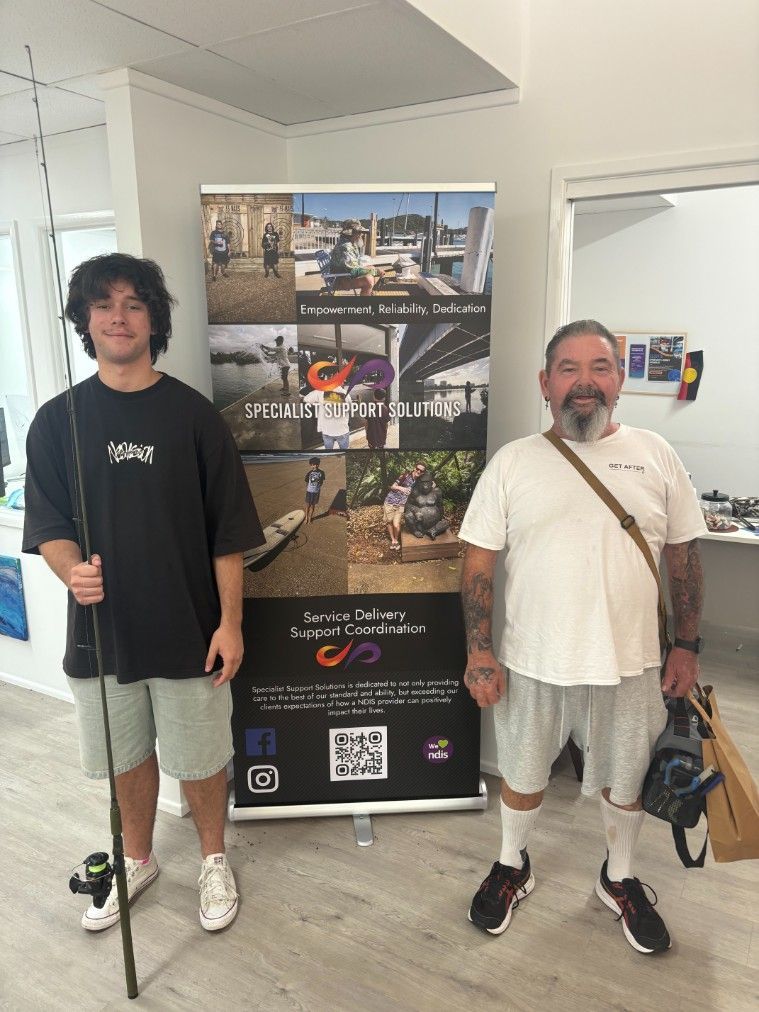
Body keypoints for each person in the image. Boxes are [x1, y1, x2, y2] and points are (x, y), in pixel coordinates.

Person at [23, 253, 264, 935]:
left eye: (133, 303)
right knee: (126, 757)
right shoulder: (55, 422)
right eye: (104, 305)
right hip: (100, 634)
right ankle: (138, 859)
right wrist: (71, 570)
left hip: (189, 628)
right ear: (85, 320)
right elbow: (48, 528)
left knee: (201, 756)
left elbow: (229, 535)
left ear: (153, 318)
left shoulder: (193, 418)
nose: (118, 316)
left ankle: (214, 858)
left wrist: (231, 624)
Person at [459, 320, 706, 954]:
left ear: (619, 381)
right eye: (568, 369)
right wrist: (480, 651)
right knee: (521, 773)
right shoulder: (514, 462)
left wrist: (689, 644)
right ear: (546, 384)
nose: (585, 382)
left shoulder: (656, 455)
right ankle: (513, 863)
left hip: (631, 664)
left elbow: (683, 556)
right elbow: (478, 563)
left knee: (626, 784)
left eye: (600, 367)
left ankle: (619, 878)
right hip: (532, 661)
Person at [329, 219, 385, 295]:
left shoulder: (350, 243)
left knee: (371, 267)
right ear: (350, 233)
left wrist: (373, 270)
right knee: (369, 280)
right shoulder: (346, 247)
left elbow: (354, 267)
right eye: (359, 232)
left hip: (344, 275)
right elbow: (353, 271)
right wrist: (376, 272)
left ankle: (368, 293)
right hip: (340, 280)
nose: (361, 235)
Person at [383, 461, 426, 550]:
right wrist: (401, 488)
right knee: (389, 522)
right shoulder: (405, 476)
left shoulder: (417, 481)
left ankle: (396, 539)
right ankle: (394, 540)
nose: (418, 471)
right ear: (415, 468)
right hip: (390, 502)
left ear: (423, 473)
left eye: (421, 471)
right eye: (417, 469)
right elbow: (392, 486)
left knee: (396, 524)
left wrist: (433, 484)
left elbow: (427, 484)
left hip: (401, 505)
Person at [302, 384, 353, 450]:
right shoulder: (346, 394)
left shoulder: (320, 392)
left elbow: (306, 399)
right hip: (342, 430)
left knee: (328, 450)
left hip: (327, 430)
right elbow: (350, 408)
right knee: (344, 450)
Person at [304, 457, 326, 524]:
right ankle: (306, 518)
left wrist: (317, 488)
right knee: (308, 506)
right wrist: (309, 488)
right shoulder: (309, 473)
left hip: (316, 492)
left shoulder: (322, 472)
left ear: (318, 464)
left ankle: (310, 518)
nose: (315, 466)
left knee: (313, 506)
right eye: (313, 464)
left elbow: (321, 482)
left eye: (317, 464)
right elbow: (307, 481)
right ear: (311, 465)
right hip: (309, 492)